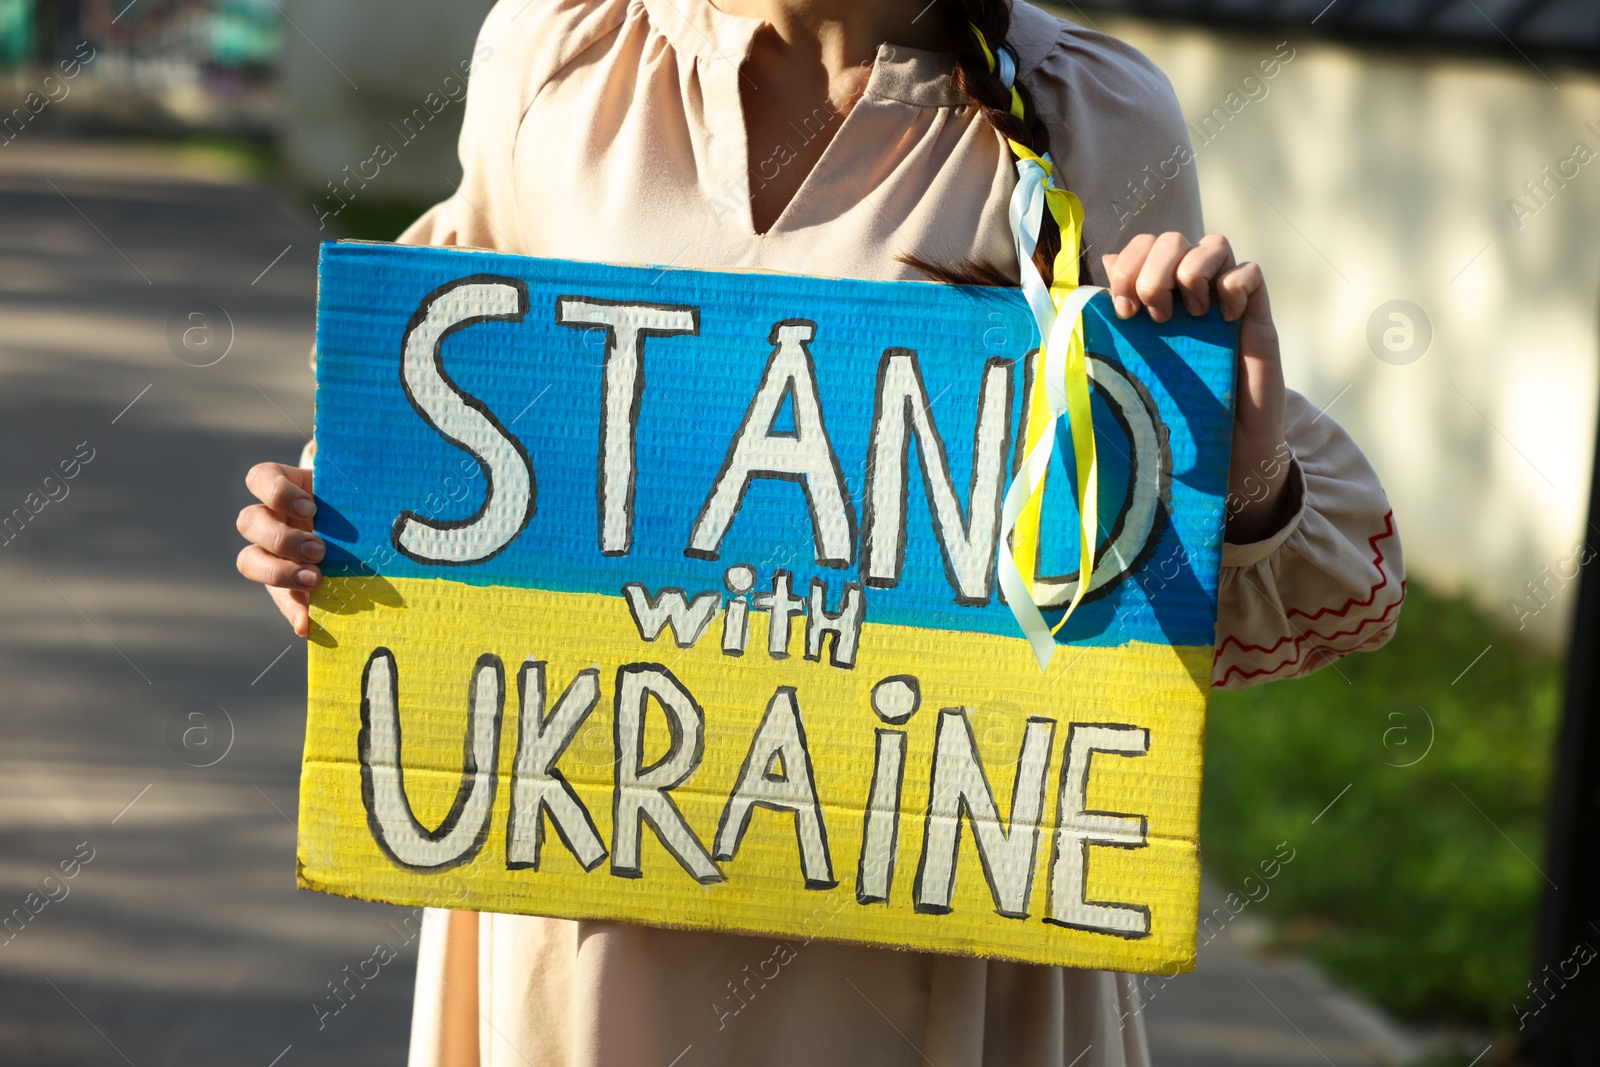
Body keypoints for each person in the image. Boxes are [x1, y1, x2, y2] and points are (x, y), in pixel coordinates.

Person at [235, 1, 1406, 1064]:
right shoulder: (557, 54)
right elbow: (460, 411)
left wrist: (1235, 462)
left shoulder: (1092, 108)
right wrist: (342, 546)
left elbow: (1148, 596)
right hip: (578, 911)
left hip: (939, 948)